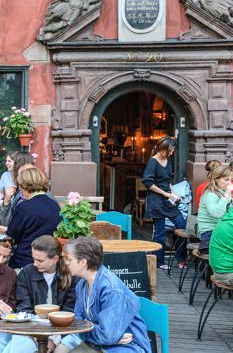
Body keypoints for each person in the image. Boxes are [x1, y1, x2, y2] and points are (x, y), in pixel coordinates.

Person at [53, 236, 151, 353]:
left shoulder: (111, 290)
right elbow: (78, 323)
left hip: (127, 346)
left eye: (69, 259)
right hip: (100, 344)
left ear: (83, 262)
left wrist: (106, 337)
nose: (65, 262)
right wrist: (109, 338)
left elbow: (105, 335)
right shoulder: (82, 285)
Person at [0, 235, 78, 353]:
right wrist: (37, 336)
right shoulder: (26, 273)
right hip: (31, 330)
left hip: (62, 332)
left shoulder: (71, 275)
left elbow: (69, 312)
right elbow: (25, 309)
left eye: (40, 260)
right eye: (34, 259)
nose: (35, 264)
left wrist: (54, 340)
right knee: (17, 342)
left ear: (55, 259)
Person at [142, 136, 186, 269]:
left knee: (182, 225)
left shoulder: (167, 160)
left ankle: (181, 259)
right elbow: (148, 183)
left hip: (167, 199)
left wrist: (173, 194)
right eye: (171, 150)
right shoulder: (152, 162)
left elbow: (168, 181)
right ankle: (159, 262)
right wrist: (165, 193)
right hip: (156, 201)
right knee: (160, 233)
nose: (172, 153)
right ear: (163, 149)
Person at [5, 167, 62, 269]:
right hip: (48, 261)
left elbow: (12, 237)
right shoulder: (54, 205)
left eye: (21, 187)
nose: (21, 190)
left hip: (24, 262)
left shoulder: (24, 207)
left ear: (25, 186)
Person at [197, 164, 233, 242]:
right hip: (209, 232)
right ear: (216, 179)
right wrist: (226, 196)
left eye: (231, 180)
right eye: (226, 179)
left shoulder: (221, 192)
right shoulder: (210, 194)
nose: (229, 183)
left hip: (220, 229)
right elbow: (217, 214)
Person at [0, 151, 35, 226]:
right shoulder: (6, 176)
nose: (7, 163)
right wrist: (6, 200)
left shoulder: (27, 194)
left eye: (10, 161)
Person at [0, 234, 16, 316]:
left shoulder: (10, 274)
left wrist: (6, 308)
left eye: (5, 257)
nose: (1, 260)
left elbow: (12, 302)